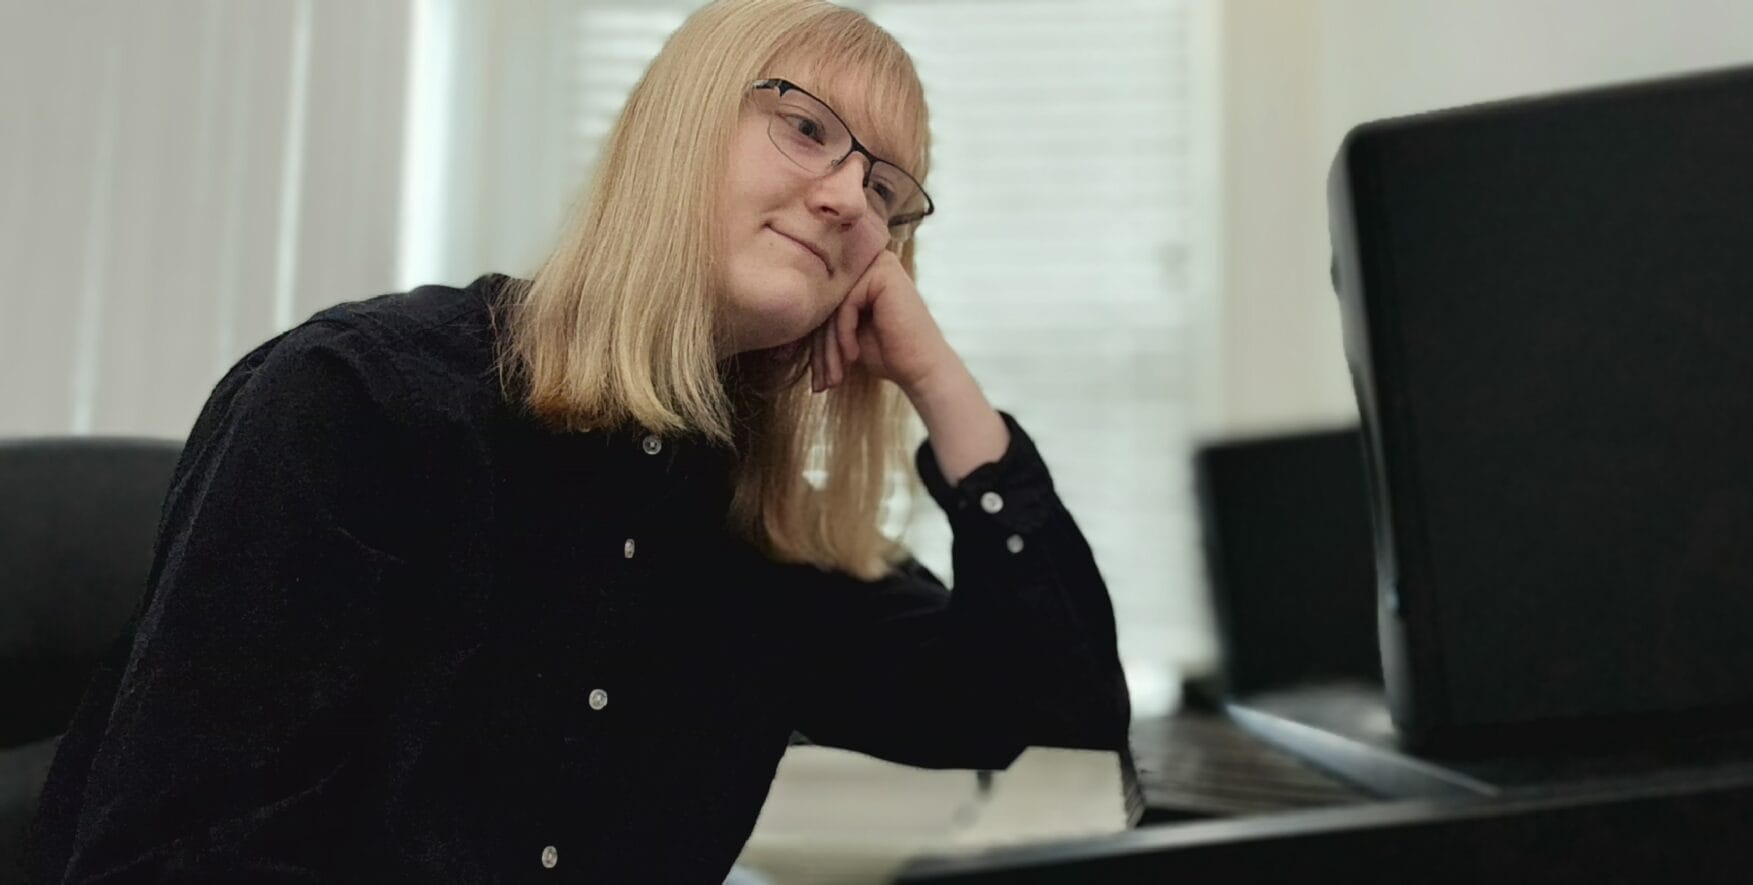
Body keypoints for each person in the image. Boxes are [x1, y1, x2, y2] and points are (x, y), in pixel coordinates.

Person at [25, 0, 1134, 881]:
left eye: (886, 188)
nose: (849, 196)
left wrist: (940, 384)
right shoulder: (358, 405)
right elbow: (179, 858)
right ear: (682, 126)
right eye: (807, 128)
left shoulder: (760, 531)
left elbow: (1052, 703)